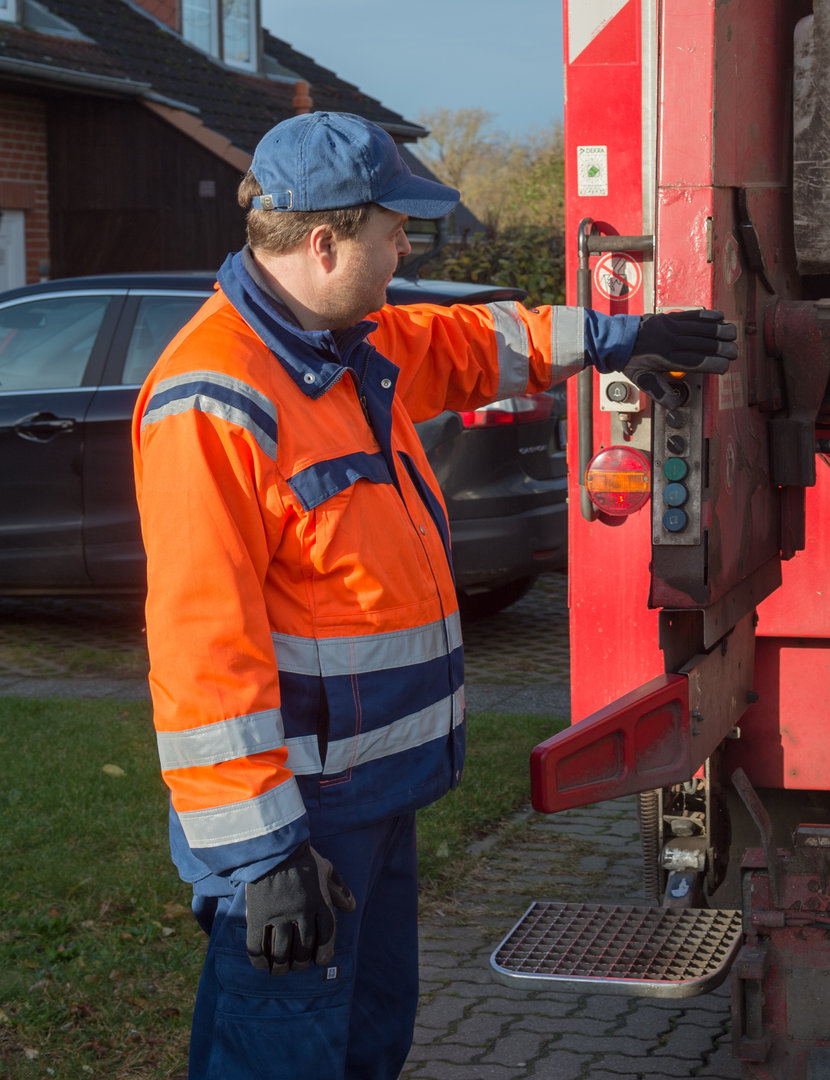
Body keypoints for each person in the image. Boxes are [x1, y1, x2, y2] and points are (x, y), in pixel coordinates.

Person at [133, 111, 735, 1080]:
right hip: (297, 826)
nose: (407, 247)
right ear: (325, 243)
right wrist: (260, 860)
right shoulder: (217, 399)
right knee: (281, 1055)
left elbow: (473, 343)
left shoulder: (341, 350)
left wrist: (623, 337)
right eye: (394, 231)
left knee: (369, 1041)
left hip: (370, 797)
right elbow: (204, 654)